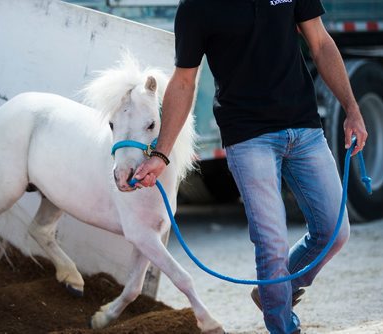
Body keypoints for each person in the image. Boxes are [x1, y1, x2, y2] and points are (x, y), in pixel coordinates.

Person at [133, 0, 368, 333]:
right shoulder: (196, 8)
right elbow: (184, 81)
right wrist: (161, 153)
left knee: (334, 231)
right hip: (247, 136)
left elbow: (320, 42)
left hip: (304, 127)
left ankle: (275, 292)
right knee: (271, 244)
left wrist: (352, 110)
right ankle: (282, 324)